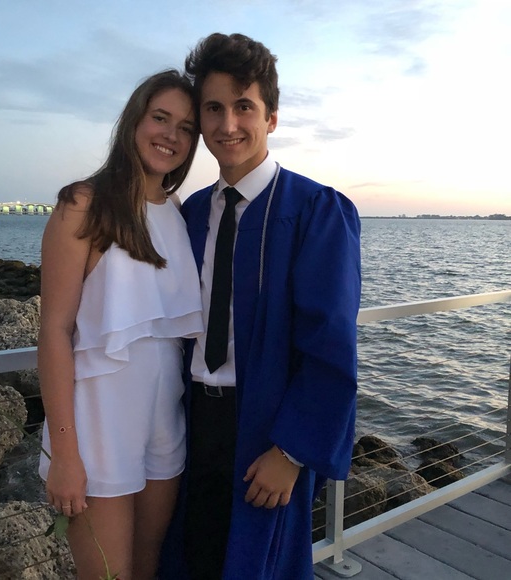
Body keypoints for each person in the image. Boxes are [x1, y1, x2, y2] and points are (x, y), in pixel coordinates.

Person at [161, 34, 361, 580]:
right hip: (189, 421)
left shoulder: (315, 210)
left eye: (243, 107)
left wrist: (292, 452)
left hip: (266, 428)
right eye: (213, 108)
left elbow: (331, 341)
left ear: (271, 117)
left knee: (259, 565)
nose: (228, 124)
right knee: (191, 557)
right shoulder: (191, 214)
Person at [38, 69, 203, 580]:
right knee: (109, 574)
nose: (171, 135)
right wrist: (65, 454)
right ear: (134, 120)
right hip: (97, 425)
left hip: (164, 420)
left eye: (186, 127)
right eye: (160, 118)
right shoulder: (83, 205)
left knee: (150, 565)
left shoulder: (177, 210)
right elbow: (54, 332)